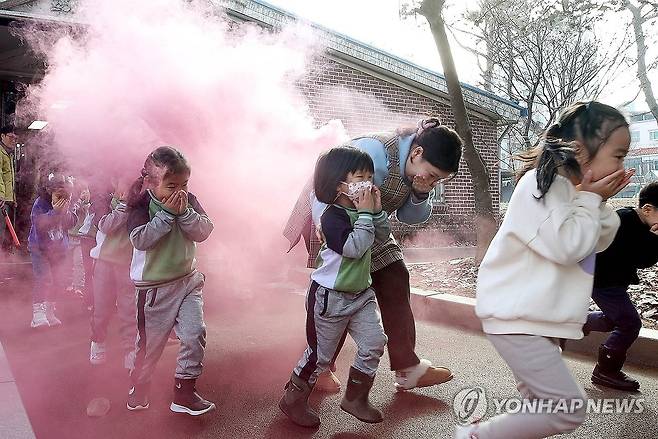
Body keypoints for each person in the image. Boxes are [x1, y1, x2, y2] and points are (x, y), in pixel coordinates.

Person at [461, 101, 633, 439]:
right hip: (517, 317)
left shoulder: (571, 194)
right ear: (582, 152)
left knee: (539, 405)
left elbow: (598, 240)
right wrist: (588, 200)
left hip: (535, 318)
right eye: (618, 154)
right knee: (568, 410)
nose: (623, 165)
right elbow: (568, 246)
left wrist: (593, 200)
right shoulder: (538, 187)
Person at [284, 117, 460, 392]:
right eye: (433, 175)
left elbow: (409, 217)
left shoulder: (415, 171)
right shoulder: (374, 151)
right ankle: (318, 368)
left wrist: (419, 193)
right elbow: (326, 182)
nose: (433, 182)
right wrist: (324, 225)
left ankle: (408, 368)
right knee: (340, 294)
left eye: (438, 180)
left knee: (394, 275)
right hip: (332, 218)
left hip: (368, 222)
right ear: (417, 153)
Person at [280, 147, 389, 428]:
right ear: (339, 183)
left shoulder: (362, 212)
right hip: (330, 297)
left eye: (370, 176)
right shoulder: (332, 217)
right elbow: (354, 248)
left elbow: (383, 237)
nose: (368, 182)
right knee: (320, 356)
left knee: (375, 342)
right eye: (360, 177)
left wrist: (375, 213)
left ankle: (356, 397)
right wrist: (366, 216)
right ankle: (292, 399)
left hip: (361, 295)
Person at [126, 146, 215, 416]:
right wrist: (166, 215)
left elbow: (204, 230)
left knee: (194, 333)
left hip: (188, 282)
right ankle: (139, 387)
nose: (180, 191)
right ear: (151, 183)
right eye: (172, 185)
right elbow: (140, 239)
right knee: (149, 346)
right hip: (153, 290)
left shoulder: (190, 200)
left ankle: (184, 391)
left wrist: (185, 213)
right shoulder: (141, 204)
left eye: (184, 184)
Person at [583, 181, 658, 391]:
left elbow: (643, 261)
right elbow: (628, 255)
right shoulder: (622, 220)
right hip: (602, 281)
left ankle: (575, 322)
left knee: (612, 320)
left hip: (613, 281)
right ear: (647, 209)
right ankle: (606, 370)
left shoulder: (644, 226)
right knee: (630, 323)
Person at [88, 176, 135, 368]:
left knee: (129, 310)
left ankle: (130, 350)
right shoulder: (103, 200)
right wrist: (124, 205)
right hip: (104, 263)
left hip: (128, 263)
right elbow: (106, 226)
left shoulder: (140, 201)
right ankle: (97, 342)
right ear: (116, 181)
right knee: (101, 308)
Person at [28, 172, 77, 328]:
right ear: (50, 191)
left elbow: (72, 223)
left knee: (59, 279)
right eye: (58, 195)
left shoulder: (68, 203)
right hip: (40, 248)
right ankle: (38, 313)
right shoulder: (40, 203)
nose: (62, 200)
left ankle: (50, 310)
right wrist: (55, 212)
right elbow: (40, 225)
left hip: (59, 249)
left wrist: (65, 212)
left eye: (66, 196)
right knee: (44, 278)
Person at [0, 125, 18, 253]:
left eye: (15, 138)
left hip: (7, 199)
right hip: (2, 200)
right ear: (2, 136)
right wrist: (0, 195)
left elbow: (9, 179)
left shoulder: (8, 153)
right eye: (11, 137)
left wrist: (13, 198)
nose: (13, 140)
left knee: (4, 232)